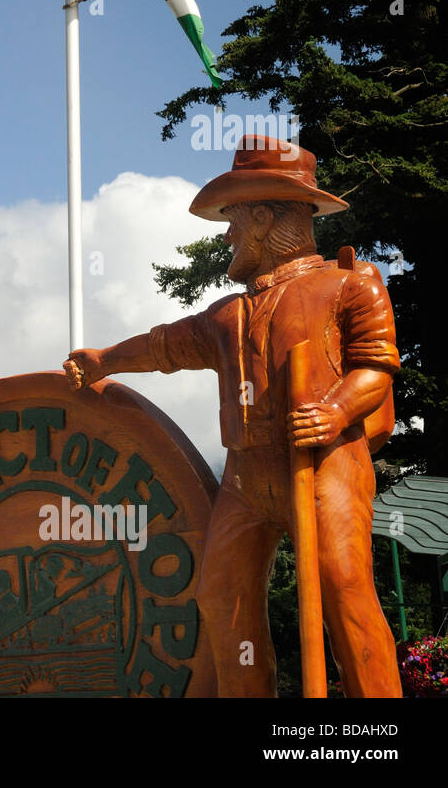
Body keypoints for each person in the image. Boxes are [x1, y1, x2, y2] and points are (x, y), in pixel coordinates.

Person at [63, 134, 401, 697]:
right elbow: (166, 345)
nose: (226, 236)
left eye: (234, 221)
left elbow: (377, 367)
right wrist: (105, 360)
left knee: (343, 588)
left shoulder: (348, 284)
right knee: (223, 595)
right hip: (245, 478)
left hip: (324, 463)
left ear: (264, 218)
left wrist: (335, 410)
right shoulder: (227, 314)